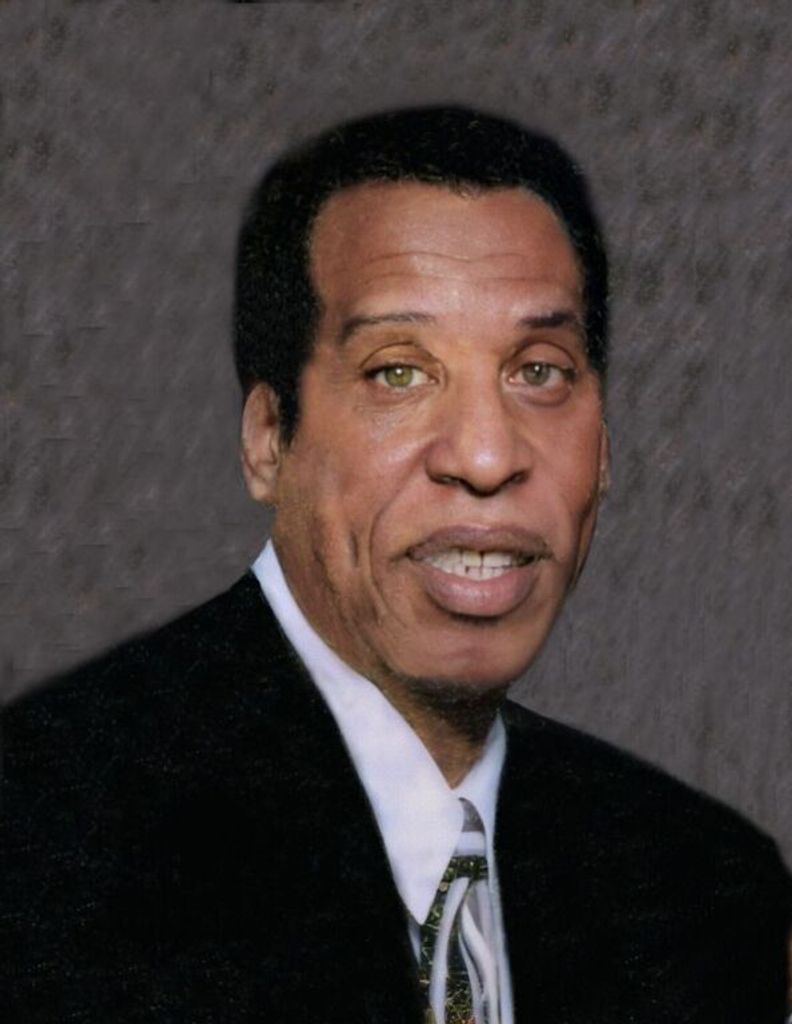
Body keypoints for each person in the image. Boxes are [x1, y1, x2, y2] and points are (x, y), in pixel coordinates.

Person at [1, 106, 789, 1024]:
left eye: (538, 371)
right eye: (399, 372)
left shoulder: (703, 890)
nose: (486, 457)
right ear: (268, 439)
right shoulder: (42, 842)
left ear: (606, 447)